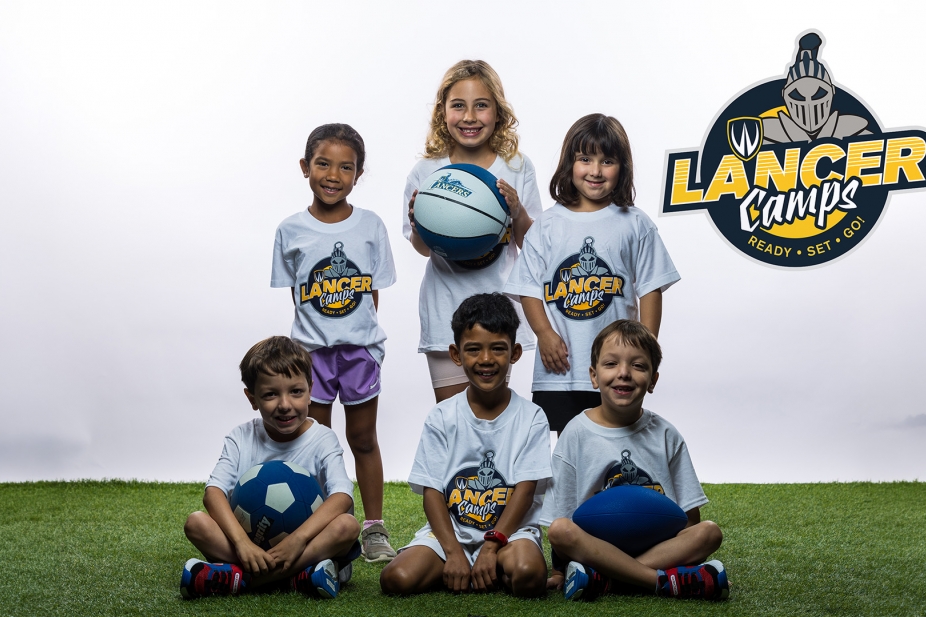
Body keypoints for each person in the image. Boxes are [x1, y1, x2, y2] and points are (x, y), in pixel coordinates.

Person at [505, 113, 680, 434]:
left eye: (607, 161)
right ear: (569, 164)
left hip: (618, 369)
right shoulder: (546, 225)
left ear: (622, 168)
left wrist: (648, 349)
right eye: (585, 159)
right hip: (559, 370)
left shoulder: (635, 224)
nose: (596, 171)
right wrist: (544, 334)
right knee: (560, 454)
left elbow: (651, 289)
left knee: (614, 444)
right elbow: (528, 288)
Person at [271, 123, 398, 561]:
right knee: (318, 443)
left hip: (359, 352)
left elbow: (372, 293)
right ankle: (321, 529)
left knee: (363, 439)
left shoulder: (370, 225)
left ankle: (373, 527)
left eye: (346, 167)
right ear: (305, 167)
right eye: (323, 163)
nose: (333, 174)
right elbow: (297, 294)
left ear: (358, 175)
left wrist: (358, 338)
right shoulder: (290, 230)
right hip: (310, 356)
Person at [542, 320, 729, 601]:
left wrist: (683, 545)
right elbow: (563, 513)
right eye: (611, 364)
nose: (624, 374)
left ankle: (606, 579)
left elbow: (689, 519)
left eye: (638, 366)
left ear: (653, 380)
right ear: (593, 376)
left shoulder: (666, 435)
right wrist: (557, 570)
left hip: (655, 546)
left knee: (710, 533)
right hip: (595, 546)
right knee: (559, 530)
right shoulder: (576, 433)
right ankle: (660, 581)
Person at [379, 293, 551, 597]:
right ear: (456, 355)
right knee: (397, 578)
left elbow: (524, 491)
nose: (486, 360)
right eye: (474, 350)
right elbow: (432, 491)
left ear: (515, 352)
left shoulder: (532, 417)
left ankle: (489, 567)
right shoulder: (442, 416)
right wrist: (453, 551)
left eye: (498, 349)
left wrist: (491, 546)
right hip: (451, 533)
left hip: (509, 535)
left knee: (528, 575)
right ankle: (465, 569)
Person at [180, 336, 362, 599]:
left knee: (347, 526)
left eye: (296, 392)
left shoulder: (323, 439)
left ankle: (241, 580)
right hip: (252, 548)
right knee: (196, 523)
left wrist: (297, 540)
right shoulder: (241, 437)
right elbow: (213, 493)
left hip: (308, 546)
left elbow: (342, 496)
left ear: (310, 390)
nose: (285, 404)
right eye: (270, 394)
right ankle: (299, 578)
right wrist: (242, 544)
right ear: (252, 398)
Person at [404, 60, 542, 403]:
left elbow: (532, 244)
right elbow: (422, 248)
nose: (469, 116)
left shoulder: (517, 166)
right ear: (442, 112)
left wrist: (517, 210)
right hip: (444, 307)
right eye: (458, 106)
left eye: (481, 105)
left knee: (490, 412)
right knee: (452, 417)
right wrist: (420, 225)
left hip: (499, 308)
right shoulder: (427, 172)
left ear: (498, 112)